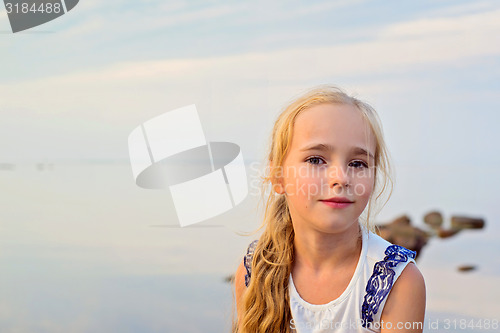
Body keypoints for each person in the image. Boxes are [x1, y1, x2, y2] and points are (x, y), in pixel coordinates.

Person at [232, 85, 426, 332]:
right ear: (278, 176)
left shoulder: (396, 280)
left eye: (358, 163)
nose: (341, 178)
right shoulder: (254, 270)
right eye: (316, 160)